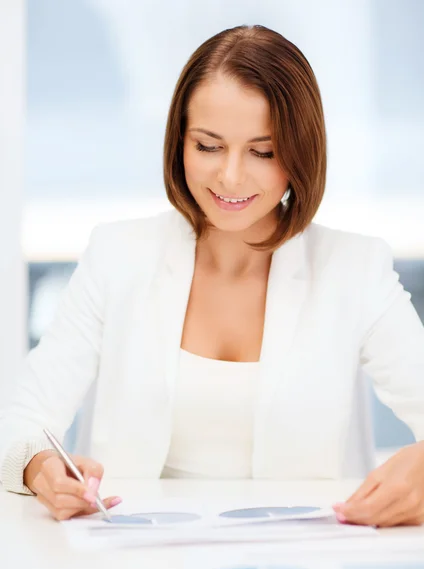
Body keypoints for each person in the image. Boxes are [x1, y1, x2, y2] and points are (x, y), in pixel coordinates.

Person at [1, 24, 424, 527]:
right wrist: (40, 467)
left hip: (300, 568)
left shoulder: (355, 268)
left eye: (262, 152)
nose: (230, 176)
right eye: (208, 146)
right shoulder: (117, 255)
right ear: (180, 143)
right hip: (133, 563)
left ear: (299, 151)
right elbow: (21, 423)